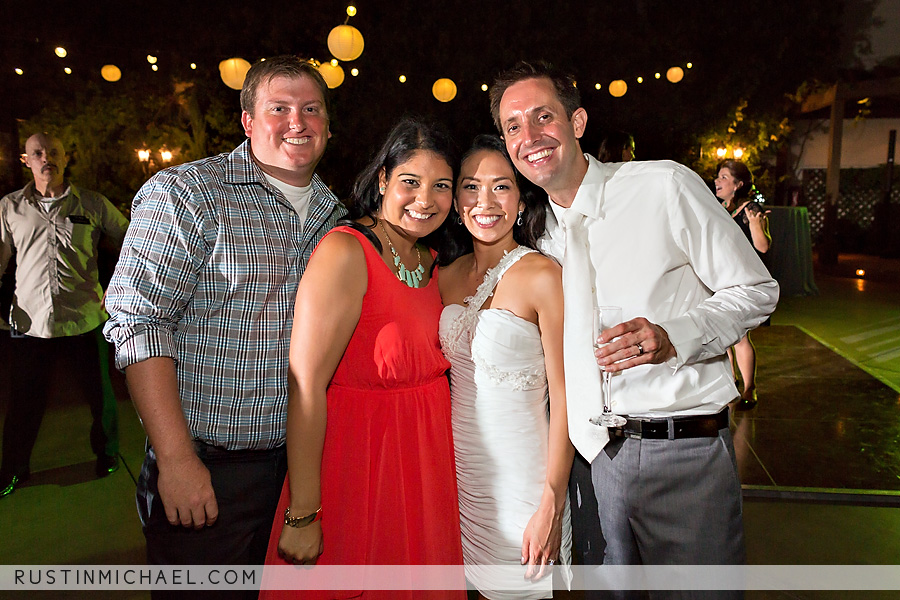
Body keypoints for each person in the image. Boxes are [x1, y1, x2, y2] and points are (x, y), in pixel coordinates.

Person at [490, 61, 779, 595]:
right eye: (512, 126)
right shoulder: (540, 233)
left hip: (683, 457)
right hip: (597, 465)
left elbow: (757, 290)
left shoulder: (662, 186)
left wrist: (677, 334)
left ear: (577, 122)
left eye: (542, 117)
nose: (528, 137)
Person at [103, 56, 346, 586]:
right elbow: (139, 323)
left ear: (328, 122)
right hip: (209, 471)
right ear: (248, 120)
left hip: (301, 472)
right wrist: (176, 460)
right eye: (278, 108)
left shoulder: (336, 215)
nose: (297, 122)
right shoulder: (189, 194)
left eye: (311, 109)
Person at [261, 117, 465, 600]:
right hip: (360, 469)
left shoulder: (434, 262)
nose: (425, 200)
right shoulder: (346, 251)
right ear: (382, 181)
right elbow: (305, 385)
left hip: (425, 474)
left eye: (442, 186)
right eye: (410, 182)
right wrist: (303, 511)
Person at [438, 134, 574, 599]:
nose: (486, 202)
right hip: (460, 483)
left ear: (520, 199)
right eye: (472, 187)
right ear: (456, 202)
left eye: (501, 187)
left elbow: (567, 396)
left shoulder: (542, 275)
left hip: (526, 485)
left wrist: (551, 504)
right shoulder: (443, 277)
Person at [0, 133, 128, 498]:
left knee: (99, 396)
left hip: (84, 318)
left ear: (66, 157)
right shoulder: (9, 208)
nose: (46, 158)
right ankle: (12, 469)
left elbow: (133, 242)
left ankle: (107, 454)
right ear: (26, 160)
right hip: (30, 324)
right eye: (38, 152)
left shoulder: (92, 203)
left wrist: (117, 290)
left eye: (53, 151)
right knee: (24, 402)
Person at [715, 160, 771, 410]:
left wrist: (757, 226)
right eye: (718, 176)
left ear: (738, 184)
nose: (718, 181)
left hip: (742, 279)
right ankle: (731, 382)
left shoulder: (751, 209)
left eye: (724, 177)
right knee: (725, 337)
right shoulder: (721, 208)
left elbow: (763, 246)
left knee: (739, 336)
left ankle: (750, 387)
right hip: (722, 277)